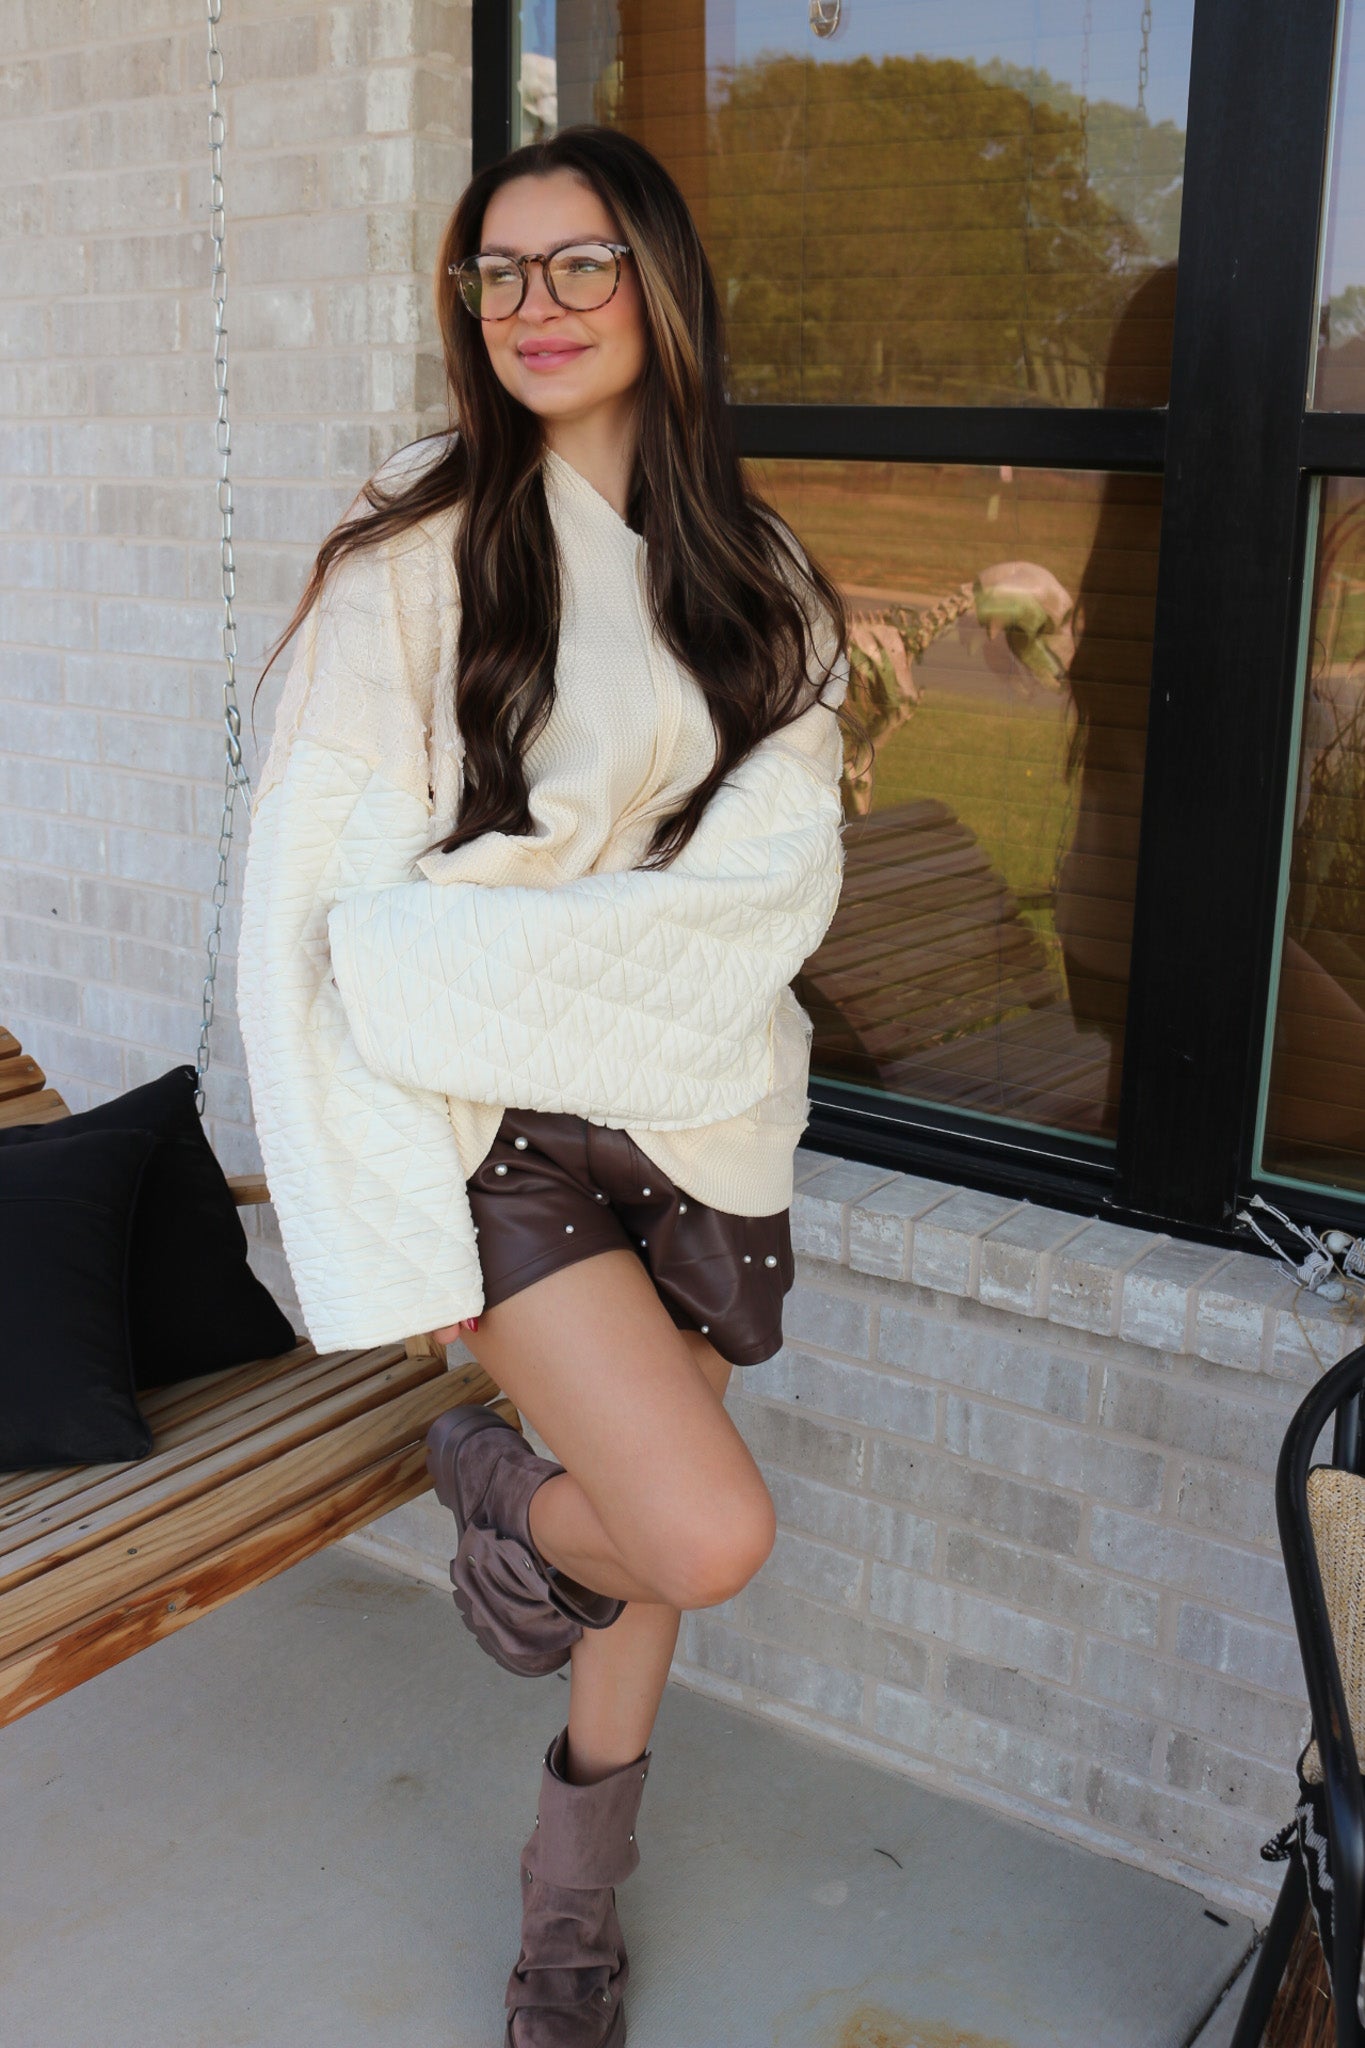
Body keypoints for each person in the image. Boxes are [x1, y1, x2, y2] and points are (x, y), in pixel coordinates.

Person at [236, 124, 862, 2047]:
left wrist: (489, 938)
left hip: (693, 1107)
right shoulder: (410, 563)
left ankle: (565, 1919)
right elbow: (313, 925)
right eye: (497, 273)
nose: (535, 305)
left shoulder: (760, 577)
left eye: (579, 262)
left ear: (660, 286)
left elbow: (772, 889)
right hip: (491, 1128)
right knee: (696, 1531)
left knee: (651, 1531)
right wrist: (383, 1210)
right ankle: (495, 1481)